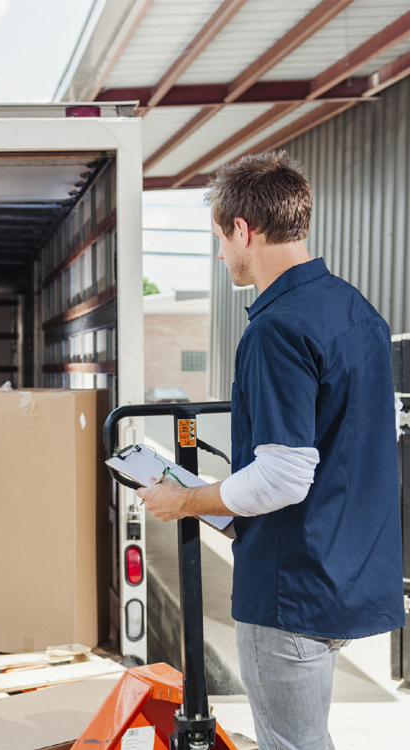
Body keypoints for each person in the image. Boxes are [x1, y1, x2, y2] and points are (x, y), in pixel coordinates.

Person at [137, 152, 404, 750]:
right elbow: (357, 440)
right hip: (350, 571)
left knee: (293, 745)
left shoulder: (277, 328)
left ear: (242, 230)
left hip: (292, 591)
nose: (221, 255)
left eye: (219, 239)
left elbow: (284, 477)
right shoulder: (359, 311)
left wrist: (185, 501)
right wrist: (221, 506)